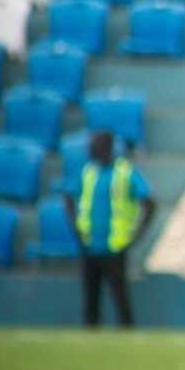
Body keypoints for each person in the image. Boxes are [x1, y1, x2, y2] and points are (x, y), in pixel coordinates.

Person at [64, 131, 156, 328]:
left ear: (105, 146)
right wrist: (76, 227)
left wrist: (137, 234)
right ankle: (90, 339)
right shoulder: (88, 172)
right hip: (89, 244)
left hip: (115, 246)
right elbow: (69, 198)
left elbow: (149, 202)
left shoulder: (124, 172)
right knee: (90, 298)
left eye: (94, 144)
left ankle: (127, 336)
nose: (89, 148)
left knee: (120, 296)